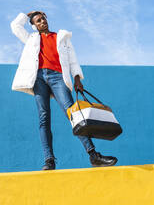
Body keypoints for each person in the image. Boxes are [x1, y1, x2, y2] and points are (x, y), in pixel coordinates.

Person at [10, 11, 117, 170]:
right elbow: (15, 26)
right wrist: (29, 14)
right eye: (38, 21)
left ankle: (93, 155)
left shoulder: (61, 37)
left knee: (73, 114)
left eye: (43, 19)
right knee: (44, 118)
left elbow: (72, 59)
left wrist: (77, 78)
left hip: (57, 77)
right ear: (34, 26)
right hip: (38, 78)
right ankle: (49, 160)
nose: (42, 22)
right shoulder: (31, 39)